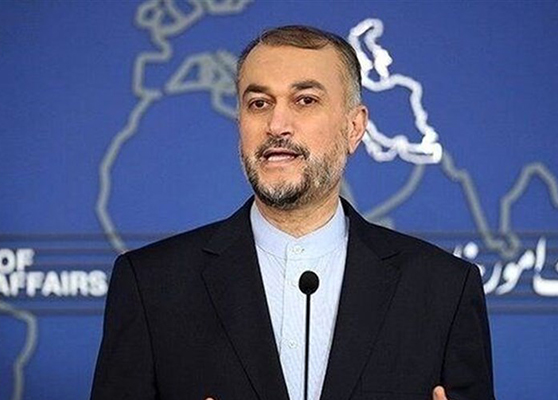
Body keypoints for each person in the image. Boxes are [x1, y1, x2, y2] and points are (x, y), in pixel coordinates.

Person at [90, 25, 495, 400]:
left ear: (354, 128)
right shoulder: (151, 285)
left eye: (305, 100)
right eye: (259, 103)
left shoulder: (444, 289)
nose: (277, 124)